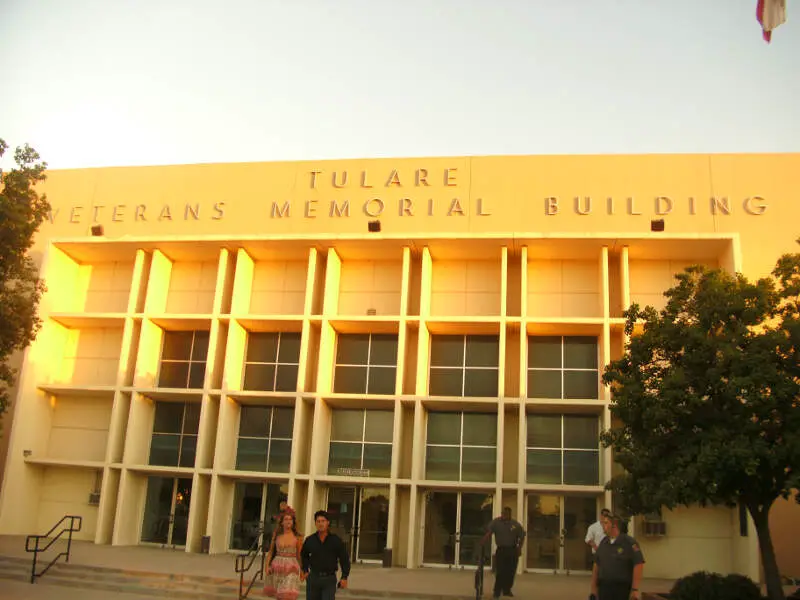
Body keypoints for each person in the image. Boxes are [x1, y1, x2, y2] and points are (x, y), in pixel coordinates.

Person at [590, 514, 645, 600]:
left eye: (605, 523)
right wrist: (593, 588)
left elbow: (638, 564)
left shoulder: (629, 543)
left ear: (614, 525)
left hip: (622, 588)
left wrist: (635, 589)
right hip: (604, 588)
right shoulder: (604, 542)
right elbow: (596, 564)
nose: (602, 526)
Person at [300, 510, 351, 600]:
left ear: (328, 523)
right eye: (318, 521)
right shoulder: (310, 540)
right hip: (313, 579)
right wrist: (305, 570)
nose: (321, 524)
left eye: (323, 521)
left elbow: (344, 558)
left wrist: (344, 576)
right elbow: (304, 555)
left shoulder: (335, 540)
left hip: (329, 579)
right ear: (315, 523)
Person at [480, 507, 526, 599]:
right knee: (500, 571)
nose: (504, 515)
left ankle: (507, 590)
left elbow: (522, 536)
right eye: (503, 513)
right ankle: (497, 591)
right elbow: (489, 532)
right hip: (501, 550)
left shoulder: (515, 524)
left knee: (510, 571)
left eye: (506, 514)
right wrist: (483, 541)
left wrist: (519, 548)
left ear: (510, 514)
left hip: (512, 550)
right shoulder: (496, 522)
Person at [264, 509, 303, 600]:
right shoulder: (277, 535)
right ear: (281, 522)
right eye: (286, 519)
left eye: (290, 519)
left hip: (291, 568)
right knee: (279, 595)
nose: (288, 521)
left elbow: (299, 555)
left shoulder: (297, 536)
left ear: (293, 522)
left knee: (287, 595)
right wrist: (267, 566)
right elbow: (270, 552)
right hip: (277, 567)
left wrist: (302, 570)